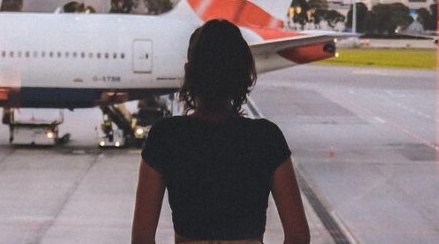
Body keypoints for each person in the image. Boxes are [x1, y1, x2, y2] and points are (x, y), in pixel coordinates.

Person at [132, 19, 310, 244]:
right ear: (243, 75)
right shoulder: (266, 138)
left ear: (190, 73)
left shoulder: (165, 136)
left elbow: (141, 238)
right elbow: (298, 236)